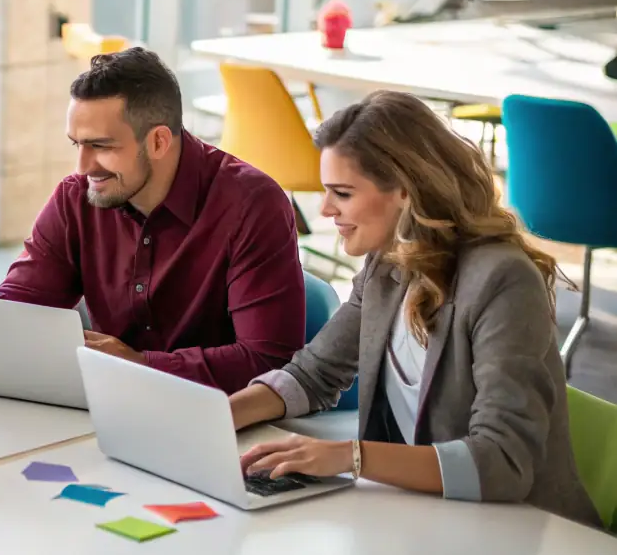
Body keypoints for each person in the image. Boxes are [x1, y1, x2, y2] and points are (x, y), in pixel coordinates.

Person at [230, 90, 600, 525]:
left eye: (343, 194)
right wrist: (217, 418)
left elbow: (503, 460)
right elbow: (315, 373)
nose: (325, 209)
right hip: (426, 518)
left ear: (405, 191)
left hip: (526, 531)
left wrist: (350, 456)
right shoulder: (388, 262)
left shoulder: (503, 280)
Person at [0, 47, 305, 393]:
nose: (83, 168)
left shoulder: (252, 205)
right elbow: (15, 311)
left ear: (158, 141)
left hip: (218, 418)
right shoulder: (76, 196)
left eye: (102, 146)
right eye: (77, 145)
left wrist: (141, 366)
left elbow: (268, 362)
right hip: (109, 404)